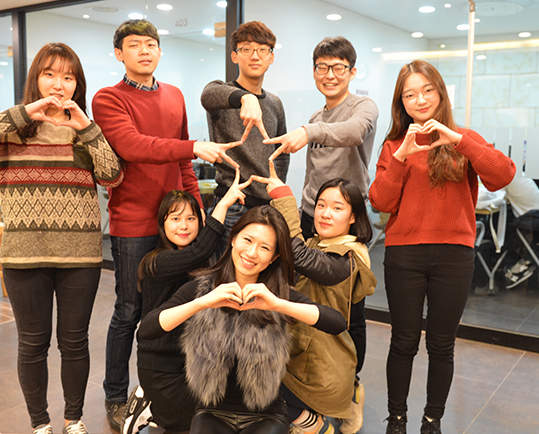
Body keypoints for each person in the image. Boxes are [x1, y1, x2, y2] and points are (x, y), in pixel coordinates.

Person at [0, 43, 123, 434]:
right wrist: (23, 112)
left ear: (77, 84)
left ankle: (73, 420)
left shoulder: (84, 132)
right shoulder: (12, 129)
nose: (59, 84)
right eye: (50, 74)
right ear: (36, 79)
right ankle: (40, 423)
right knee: (32, 343)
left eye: (68, 77)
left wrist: (86, 128)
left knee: (74, 342)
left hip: (80, 255)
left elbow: (113, 175)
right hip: (24, 254)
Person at [91, 19, 241, 432]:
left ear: (159, 51)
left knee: (178, 305)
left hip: (179, 222)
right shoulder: (108, 98)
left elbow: (182, 163)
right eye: (134, 45)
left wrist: (197, 208)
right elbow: (133, 146)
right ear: (119, 54)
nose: (144, 50)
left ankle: (163, 387)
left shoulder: (174, 95)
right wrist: (194, 147)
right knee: (130, 310)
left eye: (151, 44)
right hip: (134, 222)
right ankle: (116, 395)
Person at [368, 60, 515, 434]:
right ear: (401, 103)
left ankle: (432, 420)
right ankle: (396, 419)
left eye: (426, 90)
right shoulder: (394, 145)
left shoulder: (463, 137)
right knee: (403, 342)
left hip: (454, 255)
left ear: (441, 92)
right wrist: (401, 156)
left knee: (441, 344)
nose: (419, 100)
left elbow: (503, 175)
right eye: (409, 94)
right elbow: (381, 202)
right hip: (404, 255)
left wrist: (459, 141)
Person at [138, 206, 346, 434]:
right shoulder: (203, 287)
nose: (252, 252)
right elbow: (147, 330)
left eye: (264, 247)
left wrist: (277, 304)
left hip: (267, 413)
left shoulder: (276, 294)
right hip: (211, 411)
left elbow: (336, 323)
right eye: (247, 240)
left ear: (274, 257)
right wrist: (202, 302)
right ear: (233, 239)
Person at [127, 169, 252, 434]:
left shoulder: (200, 264)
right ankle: (147, 406)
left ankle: (154, 407)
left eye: (191, 218)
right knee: (191, 424)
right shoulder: (157, 262)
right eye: (175, 219)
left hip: (191, 361)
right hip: (161, 367)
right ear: (162, 224)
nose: (183, 226)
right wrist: (224, 204)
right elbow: (199, 251)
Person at [254, 164, 376, 434]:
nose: (325, 213)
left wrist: (284, 198)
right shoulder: (316, 243)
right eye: (321, 205)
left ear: (353, 217)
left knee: (259, 389)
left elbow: (301, 257)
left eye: (337, 208)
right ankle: (347, 396)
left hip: (322, 365)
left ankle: (315, 425)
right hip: (305, 352)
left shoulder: (347, 258)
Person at [265, 36, 378, 241]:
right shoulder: (316, 118)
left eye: (338, 68)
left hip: (346, 215)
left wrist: (308, 131)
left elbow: (355, 132)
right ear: (314, 72)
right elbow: (312, 171)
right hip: (311, 213)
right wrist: (303, 209)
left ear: (352, 72)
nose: (330, 75)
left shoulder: (363, 106)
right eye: (322, 68)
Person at [201, 21, 289, 252]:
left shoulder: (275, 103)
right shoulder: (223, 95)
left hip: (268, 206)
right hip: (233, 205)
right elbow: (208, 94)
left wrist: (277, 186)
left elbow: (281, 151)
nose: (255, 56)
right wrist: (245, 98)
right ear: (234, 56)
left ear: (271, 57)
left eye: (262, 49)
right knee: (227, 271)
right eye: (246, 49)